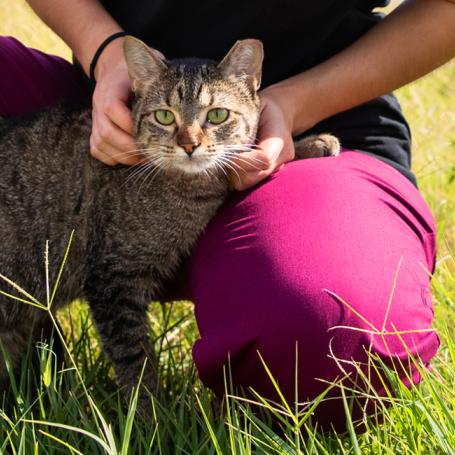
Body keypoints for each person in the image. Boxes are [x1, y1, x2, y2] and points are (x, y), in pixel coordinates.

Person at [1, 0, 454, 430]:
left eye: (211, 118)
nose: (191, 138)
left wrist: (294, 107)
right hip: (113, 108)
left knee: (338, 338)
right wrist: (104, 53)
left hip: (321, 111)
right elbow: (111, 279)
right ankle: (30, 341)